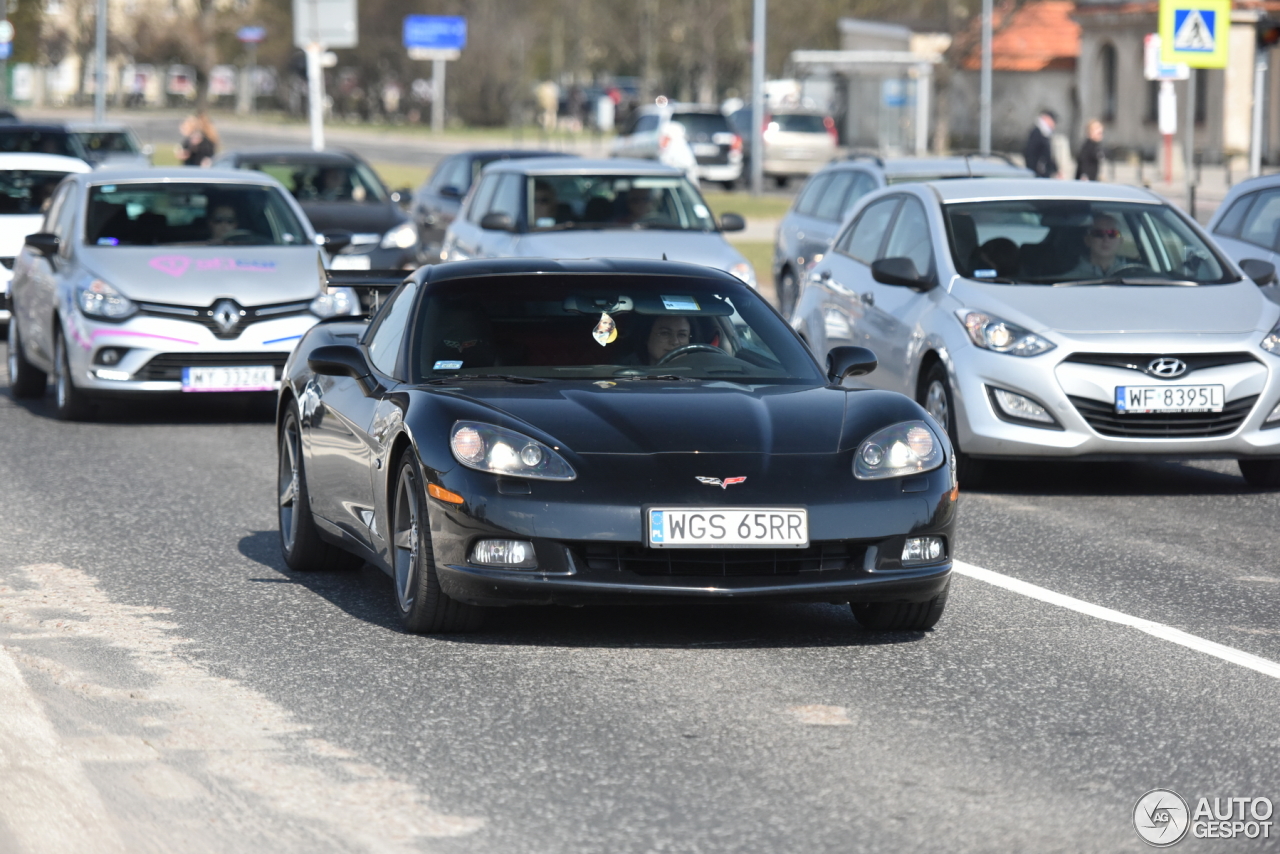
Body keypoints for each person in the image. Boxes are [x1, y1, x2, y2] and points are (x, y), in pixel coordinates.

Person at [1069, 214, 1145, 277]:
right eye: (1099, 234)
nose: (1106, 239)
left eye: (1112, 234)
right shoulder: (1069, 279)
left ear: (1120, 240)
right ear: (1087, 240)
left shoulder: (1138, 275)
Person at [1023, 109, 1059, 179]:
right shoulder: (1037, 133)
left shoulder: (1044, 133)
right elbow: (1031, 153)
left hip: (1042, 172)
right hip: (1038, 172)